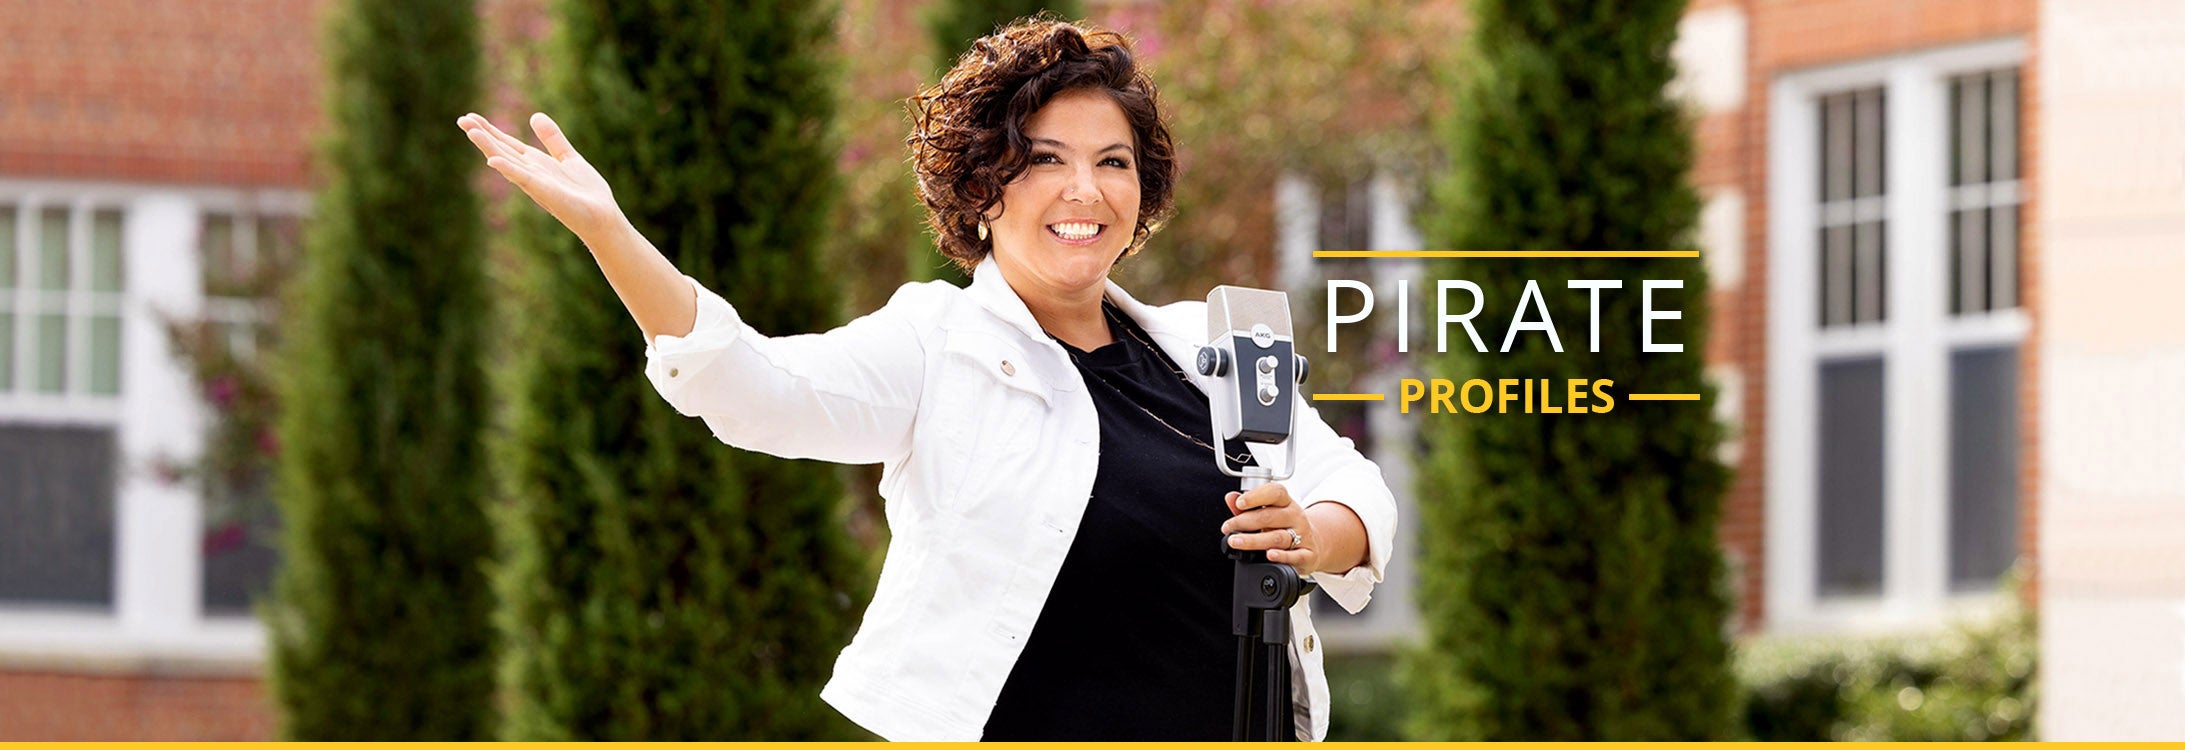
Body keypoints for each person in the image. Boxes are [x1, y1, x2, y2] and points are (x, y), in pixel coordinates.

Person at [458, 17, 1395, 742]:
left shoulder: (1209, 347)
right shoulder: (936, 341)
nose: (1085, 190)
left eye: (1113, 163)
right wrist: (610, 235)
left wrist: (1316, 534)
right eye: (1043, 161)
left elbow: (1349, 486)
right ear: (982, 192)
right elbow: (751, 390)